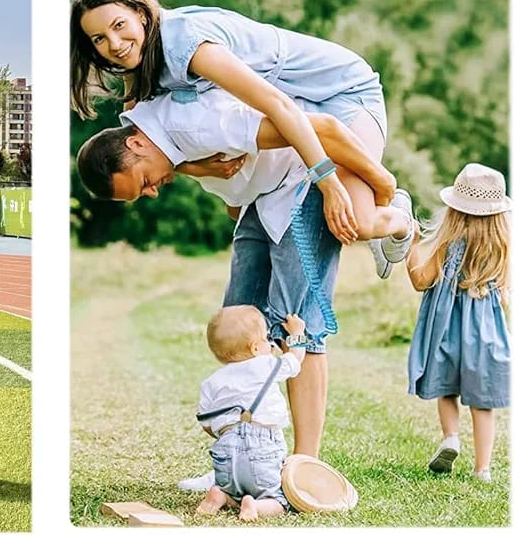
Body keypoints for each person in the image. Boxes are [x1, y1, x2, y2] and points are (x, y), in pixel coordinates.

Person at [75, 85, 405, 460]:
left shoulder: (201, 125)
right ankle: (239, 456)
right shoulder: (162, 141)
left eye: (144, 183)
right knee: (235, 324)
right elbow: (140, 109)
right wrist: (194, 170)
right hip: (259, 200)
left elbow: (323, 130)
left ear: (136, 146)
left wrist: (379, 183)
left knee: (297, 326)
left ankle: (304, 462)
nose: (152, 192)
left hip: (303, 184)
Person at [71, 0, 413, 275]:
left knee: (362, 221)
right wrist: (196, 167)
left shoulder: (186, 46)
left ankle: (398, 212)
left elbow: (278, 106)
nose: (114, 44)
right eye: (99, 39)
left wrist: (329, 181)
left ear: (142, 15)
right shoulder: (139, 67)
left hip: (339, 92)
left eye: (118, 26)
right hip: (299, 109)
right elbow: (143, 140)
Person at [405, 163, 510, 483]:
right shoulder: (502, 250)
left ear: (455, 210)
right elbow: (506, 297)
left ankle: (451, 437)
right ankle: (483, 469)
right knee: (483, 402)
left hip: (445, 330)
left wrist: (410, 248)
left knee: (446, 387)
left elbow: (421, 281)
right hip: (486, 335)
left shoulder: (447, 245)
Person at [194, 307, 308, 521]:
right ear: (256, 348)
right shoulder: (265, 365)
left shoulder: (211, 382)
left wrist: (229, 434)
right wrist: (296, 333)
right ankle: (255, 505)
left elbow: (206, 423)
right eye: (266, 338)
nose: (270, 343)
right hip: (263, 448)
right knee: (282, 500)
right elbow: (295, 359)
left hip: (226, 455)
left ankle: (221, 494)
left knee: (233, 490)